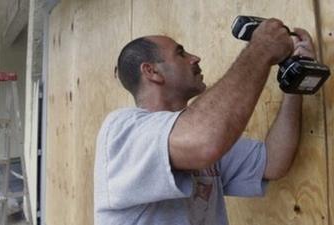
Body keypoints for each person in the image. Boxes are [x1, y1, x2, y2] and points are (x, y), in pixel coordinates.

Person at [94, 18, 315, 225]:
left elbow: (273, 162)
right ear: (152, 71)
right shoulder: (122, 131)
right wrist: (261, 49)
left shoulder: (193, 137)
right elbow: (203, 141)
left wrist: (294, 82)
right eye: (180, 53)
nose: (195, 57)